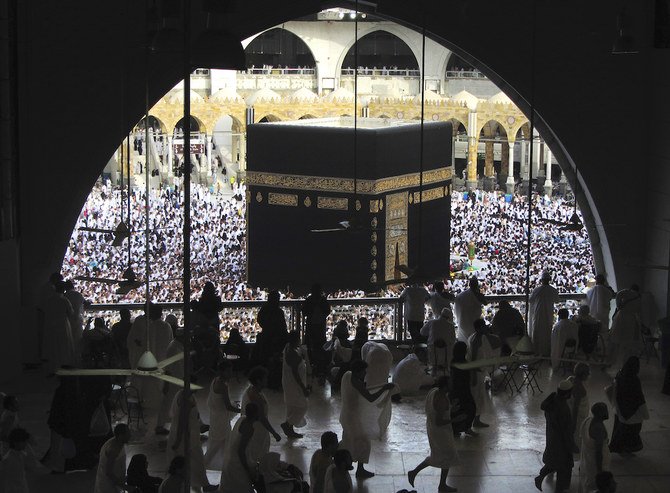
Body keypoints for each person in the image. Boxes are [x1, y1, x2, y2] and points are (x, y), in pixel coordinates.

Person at [339, 360, 395, 479]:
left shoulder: (347, 375)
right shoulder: (357, 383)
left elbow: (360, 391)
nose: (365, 373)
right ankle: (359, 470)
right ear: (358, 371)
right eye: (364, 371)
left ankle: (342, 463)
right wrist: (384, 388)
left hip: (345, 414)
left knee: (348, 440)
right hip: (352, 417)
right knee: (363, 441)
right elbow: (370, 397)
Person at [407, 376, 461, 493]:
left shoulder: (434, 392)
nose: (452, 385)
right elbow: (440, 421)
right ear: (446, 385)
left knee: (443, 456)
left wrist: (451, 408)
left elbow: (439, 412)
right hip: (441, 432)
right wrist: (455, 420)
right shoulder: (441, 398)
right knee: (447, 455)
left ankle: (441, 484)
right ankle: (418, 474)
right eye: (450, 383)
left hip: (433, 429)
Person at [167, 390, 218, 492]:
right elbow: (182, 421)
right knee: (189, 460)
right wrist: (178, 440)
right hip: (184, 436)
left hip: (191, 435)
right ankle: (185, 485)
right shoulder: (184, 399)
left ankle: (201, 484)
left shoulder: (190, 396)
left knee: (196, 460)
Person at [535, 379, 574, 492]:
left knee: (553, 461)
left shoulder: (552, 401)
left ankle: (541, 476)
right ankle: (560, 489)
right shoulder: (563, 408)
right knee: (563, 466)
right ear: (567, 393)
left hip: (552, 437)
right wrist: (571, 445)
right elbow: (565, 430)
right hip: (561, 442)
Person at [219, 402, 264, 493]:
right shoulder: (249, 428)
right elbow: (241, 450)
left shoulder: (242, 419)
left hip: (232, 457)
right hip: (238, 461)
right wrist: (247, 468)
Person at [204, 361, 241, 469]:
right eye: (228, 371)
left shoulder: (216, 380)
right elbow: (228, 406)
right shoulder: (222, 385)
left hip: (217, 418)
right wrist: (241, 410)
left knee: (220, 443)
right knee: (219, 443)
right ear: (222, 371)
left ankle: (227, 464)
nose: (231, 373)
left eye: (231, 370)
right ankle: (207, 464)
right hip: (221, 420)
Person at [608, 356, 648, 454]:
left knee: (619, 429)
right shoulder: (634, 380)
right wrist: (645, 412)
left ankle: (618, 447)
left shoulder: (620, 374)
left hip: (620, 408)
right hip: (631, 411)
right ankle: (625, 448)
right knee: (631, 431)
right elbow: (638, 397)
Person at [241, 366, 282, 457]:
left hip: (257, 428)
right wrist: (274, 433)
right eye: (265, 378)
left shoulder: (252, 390)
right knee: (257, 454)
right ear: (259, 381)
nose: (267, 380)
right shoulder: (255, 396)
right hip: (257, 430)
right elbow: (262, 418)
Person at [281, 331, 310, 439]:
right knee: (302, 405)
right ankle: (287, 424)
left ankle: (290, 429)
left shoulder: (289, 348)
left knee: (292, 406)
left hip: (289, 382)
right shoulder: (292, 353)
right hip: (294, 384)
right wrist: (303, 388)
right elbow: (295, 373)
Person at [43, 280, 76, 373]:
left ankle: (53, 367)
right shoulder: (64, 300)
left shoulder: (49, 300)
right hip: (63, 324)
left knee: (53, 345)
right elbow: (71, 312)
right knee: (64, 345)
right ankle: (65, 365)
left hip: (51, 324)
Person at [578, 403, 611, 493]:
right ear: (600, 413)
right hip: (594, 464)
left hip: (586, 460)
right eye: (605, 410)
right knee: (595, 486)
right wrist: (600, 471)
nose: (607, 412)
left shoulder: (587, 420)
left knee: (586, 482)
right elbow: (598, 452)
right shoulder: (598, 429)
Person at [1, 427, 45, 493]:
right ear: (16, 443)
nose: (26, 444)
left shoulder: (21, 455)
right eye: (24, 441)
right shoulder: (9, 459)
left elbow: (32, 466)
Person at [302, 284, 331, 382]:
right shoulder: (323, 300)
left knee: (311, 347)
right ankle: (320, 368)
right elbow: (327, 311)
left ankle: (312, 367)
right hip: (320, 327)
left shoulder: (309, 300)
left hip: (311, 327)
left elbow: (304, 312)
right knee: (320, 347)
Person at [608, 285, 642, 368]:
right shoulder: (638, 297)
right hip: (630, 320)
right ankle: (624, 364)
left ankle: (610, 362)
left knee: (615, 342)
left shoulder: (623, 292)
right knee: (627, 344)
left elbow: (618, 305)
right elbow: (638, 310)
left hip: (619, 318)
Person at [528, 271, 560, 357]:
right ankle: (546, 352)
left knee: (538, 332)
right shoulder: (553, 290)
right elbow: (557, 300)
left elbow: (530, 300)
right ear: (549, 280)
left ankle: (537, 351)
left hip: (538, 313)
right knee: (547, 332)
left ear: (541, 280)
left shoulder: (537, 290)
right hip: (549, 313)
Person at [449, 341, 477, 437]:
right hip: (462, 390)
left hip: (456, 390)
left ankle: (458, 429)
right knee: (469, 409)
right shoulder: (462, 363)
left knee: (458, 410)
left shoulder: (454, 361)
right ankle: (466, 428)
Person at [94, 423, 131, 493]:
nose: (130, 436)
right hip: (107, 486)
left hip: (114, 483)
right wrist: (125, 487)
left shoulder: (119, 442)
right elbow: (109, 472)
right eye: (128, 434)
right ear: (121, 436)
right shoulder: (113, 450)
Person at [256, 290, 288, 363]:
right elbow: (283, 326)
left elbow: (259, 320)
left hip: (267, 335)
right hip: (275, 337)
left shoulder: (265, 309)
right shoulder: (278, 311)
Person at [420, 307, 457, 372]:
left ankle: (433, 372)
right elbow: (453, 340)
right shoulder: (451, 326)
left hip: (433, 353)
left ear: (440, 314)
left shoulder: (431, 322)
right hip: (446, 354)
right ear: (449, 317)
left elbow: (422, 332)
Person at [454, 277, 486, 342]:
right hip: (474, 324)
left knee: (465, 343)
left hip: (463, 322)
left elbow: (455, 310)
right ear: (477, 285)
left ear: (469, 285)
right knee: (474, 342)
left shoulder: (460, 296)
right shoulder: (479, 295)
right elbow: (485, 302)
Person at [63, 280, 87, 357]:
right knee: (77, 339)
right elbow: (85, 303)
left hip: (68, 320)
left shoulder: (64, 295)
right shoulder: (78, 294)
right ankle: (77, 359)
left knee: (68, 340)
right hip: (78, 319)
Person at [571, 363, 591, 451]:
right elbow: (575, 407)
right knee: (576, 433)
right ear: (583, 375)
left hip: (580, 414)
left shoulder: (572, 379)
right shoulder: (578, 387)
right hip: (579, 416)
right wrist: (573, 422)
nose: (589, 375)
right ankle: (572, 445)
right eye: (587, 373)